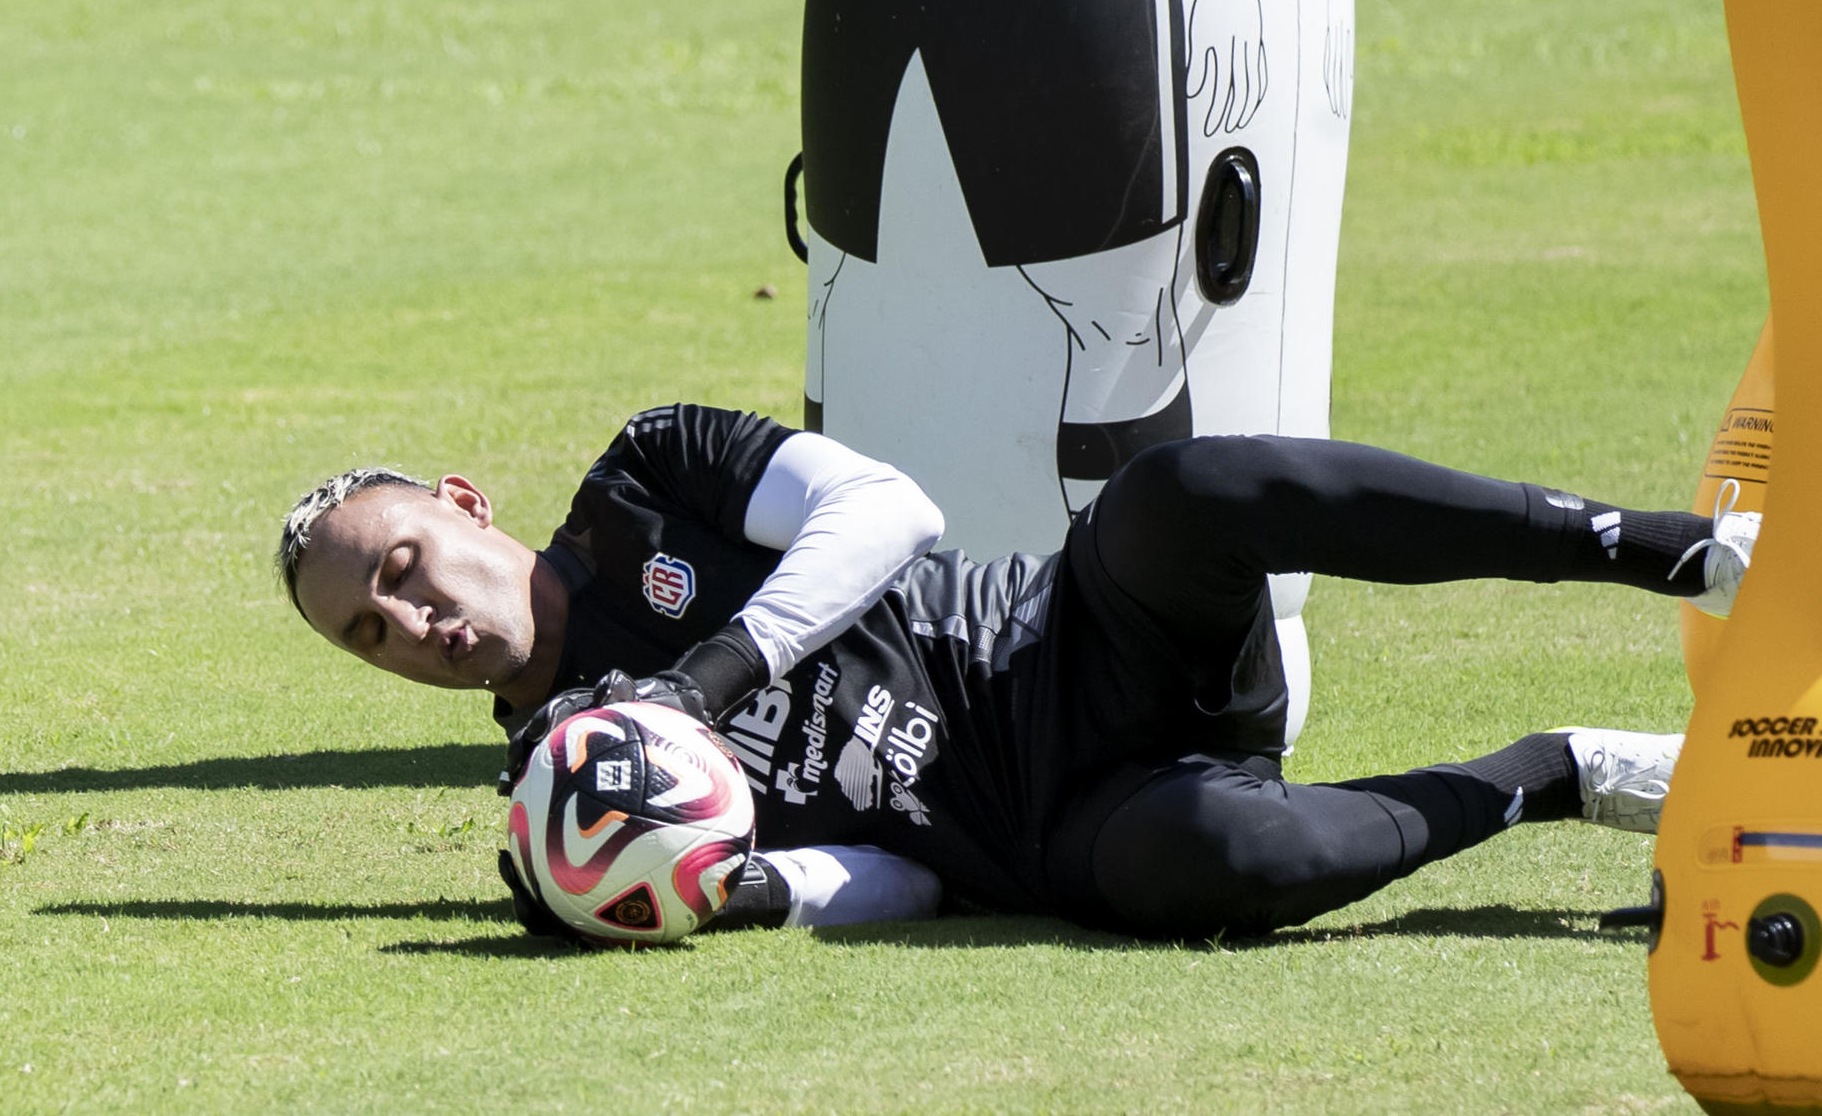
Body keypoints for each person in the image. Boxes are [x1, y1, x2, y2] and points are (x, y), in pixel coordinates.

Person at [275, 404, 1756, 942]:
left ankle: (1682, 553)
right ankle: (1559, 774)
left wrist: (713, 676)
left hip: (1068, 637)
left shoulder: (648, 476)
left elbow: (891, 514)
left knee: (1187, 490)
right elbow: (896, 880)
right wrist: (749, 886)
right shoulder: (563, 810)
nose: (414, 621)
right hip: (1063, 832)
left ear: (460, 505)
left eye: (401, 566)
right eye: (370, 633)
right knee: (1221, 855)